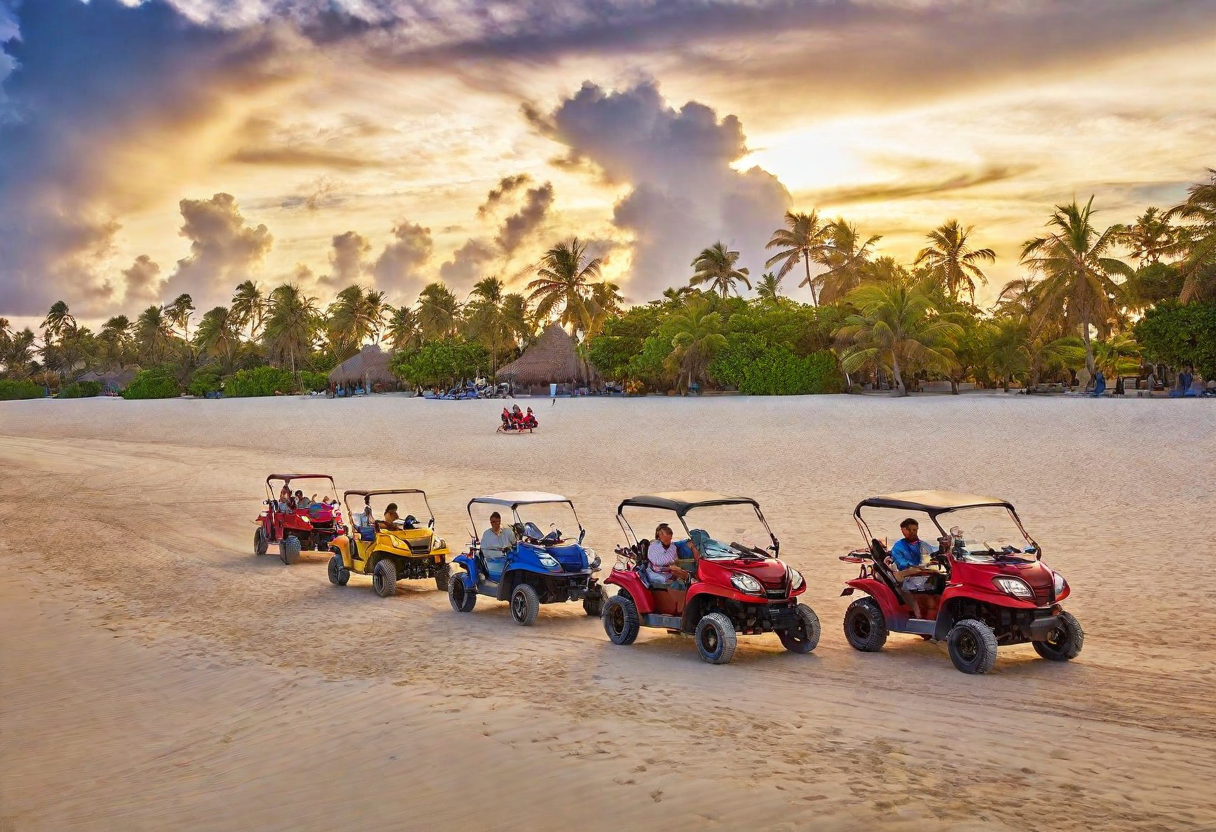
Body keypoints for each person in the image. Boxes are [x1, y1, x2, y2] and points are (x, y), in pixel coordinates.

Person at [887, 518, 946, 619]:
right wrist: (918, 566)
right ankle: (920, 614)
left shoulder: (922, 545)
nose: (913, 532)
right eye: (910, 530)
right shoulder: (898, 547)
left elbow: (933, 553)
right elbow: (902, 564)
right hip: (907, 577)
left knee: (944, 580)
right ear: (903, 530)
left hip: (923, 574)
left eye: (915, 530)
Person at [476, 511, 517, 586]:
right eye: (493, 522)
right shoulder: (487, 534)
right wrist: (497, 554)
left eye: (497, 521)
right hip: (493, 560)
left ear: (500, 521)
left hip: (509, 558)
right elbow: (484, 550)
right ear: (490, 523)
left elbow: (515, 544)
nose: (495, 524)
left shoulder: (508, 532)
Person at [645, 523, 683, 587]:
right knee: (674, 585)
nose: (668, 541)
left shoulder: (673, 547)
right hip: (655, 574)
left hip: (671, 572)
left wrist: (676, 568)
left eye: (669, 539)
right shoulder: (653, 547)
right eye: (665, 540)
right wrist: (669, 568)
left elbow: (676, 560)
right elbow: (656, 566)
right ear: (659, 537)